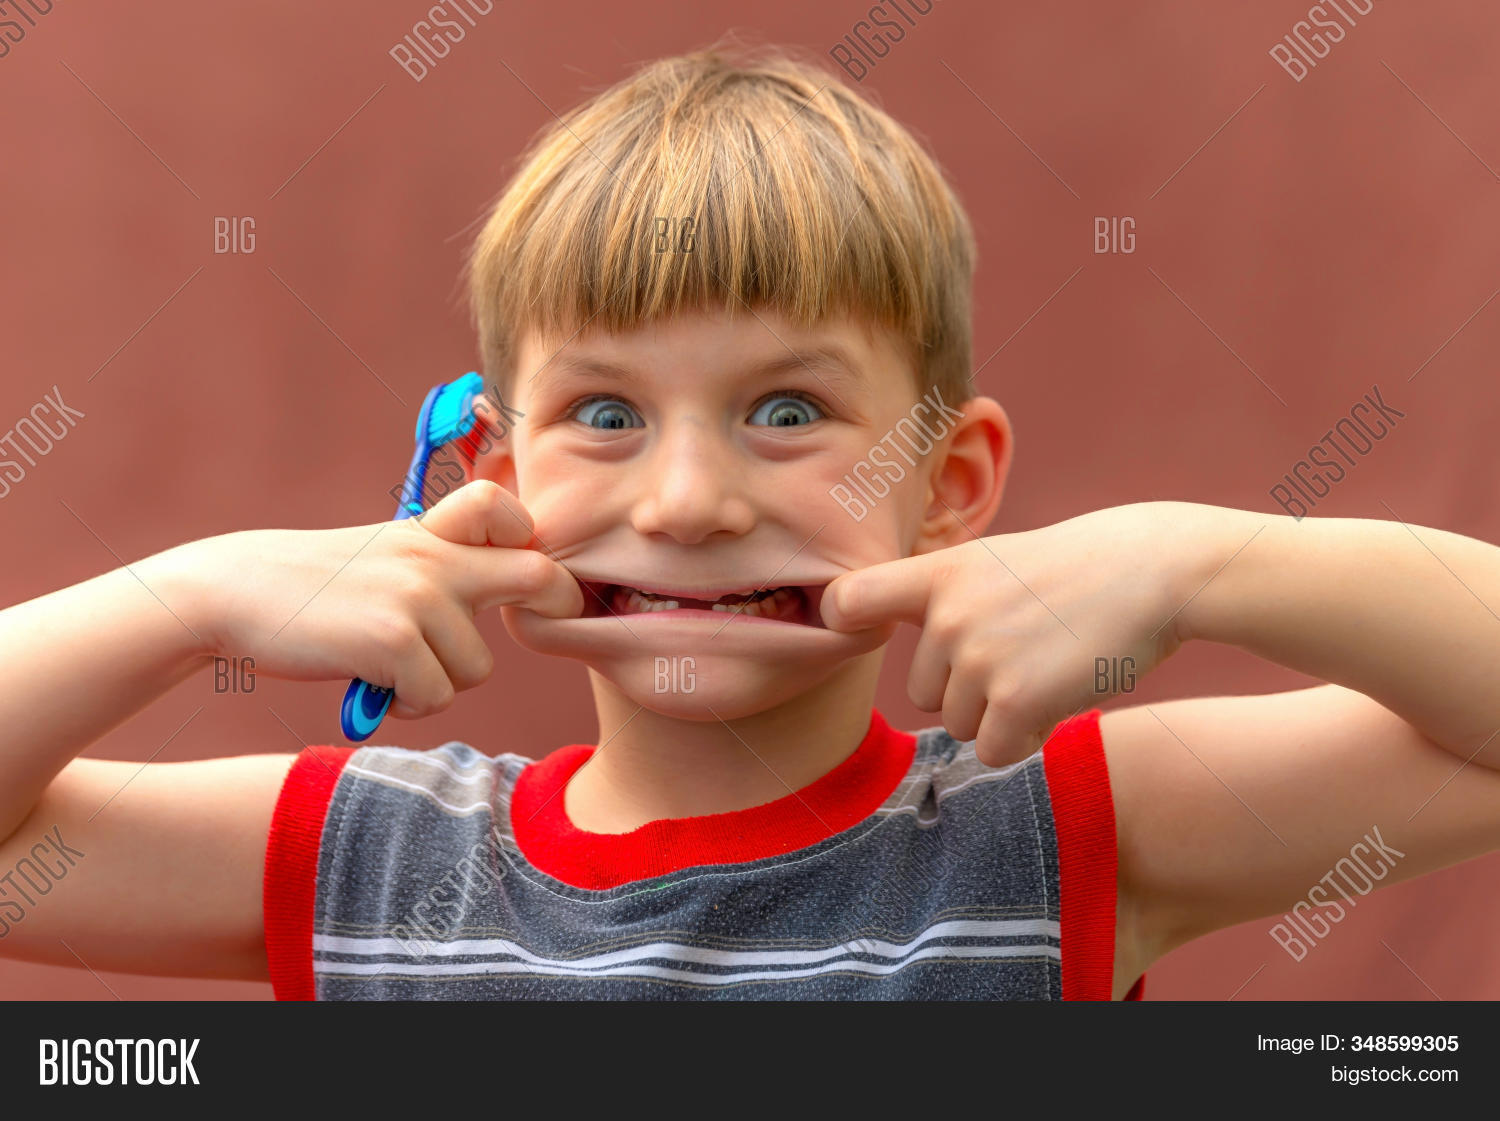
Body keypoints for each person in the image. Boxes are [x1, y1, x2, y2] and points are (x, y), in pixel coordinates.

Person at [2, 43, 1497, 1000]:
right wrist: (186, 596)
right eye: (604, 415)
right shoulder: (365, 861)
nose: (689, 503)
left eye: (788, 413)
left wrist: (1204, 557)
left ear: (952, 481)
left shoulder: (1064, 831)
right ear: (493, 476)